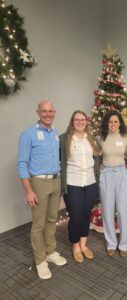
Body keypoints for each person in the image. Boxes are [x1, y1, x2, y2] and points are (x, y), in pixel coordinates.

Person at [17, 100, 67, 280]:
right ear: (38, 112)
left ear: (54, 112)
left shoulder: (54, 132)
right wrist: (28, 190)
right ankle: (40, 260)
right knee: (38, 224)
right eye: (44, 111)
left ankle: (50, 251)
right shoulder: (28, 134)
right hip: (38, 183)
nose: (48, 114)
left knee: (52, 218)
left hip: (56, 181)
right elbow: (22, 163)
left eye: (51, 111)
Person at [60, 111, 99, 263]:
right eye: (77, 119)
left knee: (86, 213)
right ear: (72, 122)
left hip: (90, 182)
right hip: (72, 182)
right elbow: (59, 160)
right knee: (76, 215)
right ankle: (75, 246)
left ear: (86, 121)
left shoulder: (92, 139)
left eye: (83, 119)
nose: (80, 122)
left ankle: (84, 244)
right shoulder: (64, 139)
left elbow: (96, 159)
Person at [99, 110, 127, 257]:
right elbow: (94, 155)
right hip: (106, 174)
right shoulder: (100, 138)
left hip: (121, 173)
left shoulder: (125, 138)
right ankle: (111, 243)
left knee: (123, 209)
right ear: (107, 123)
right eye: (110, 121)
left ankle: (124, 244)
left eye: (116, 121)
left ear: (120, 123)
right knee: (107, 209)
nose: (113, 124)